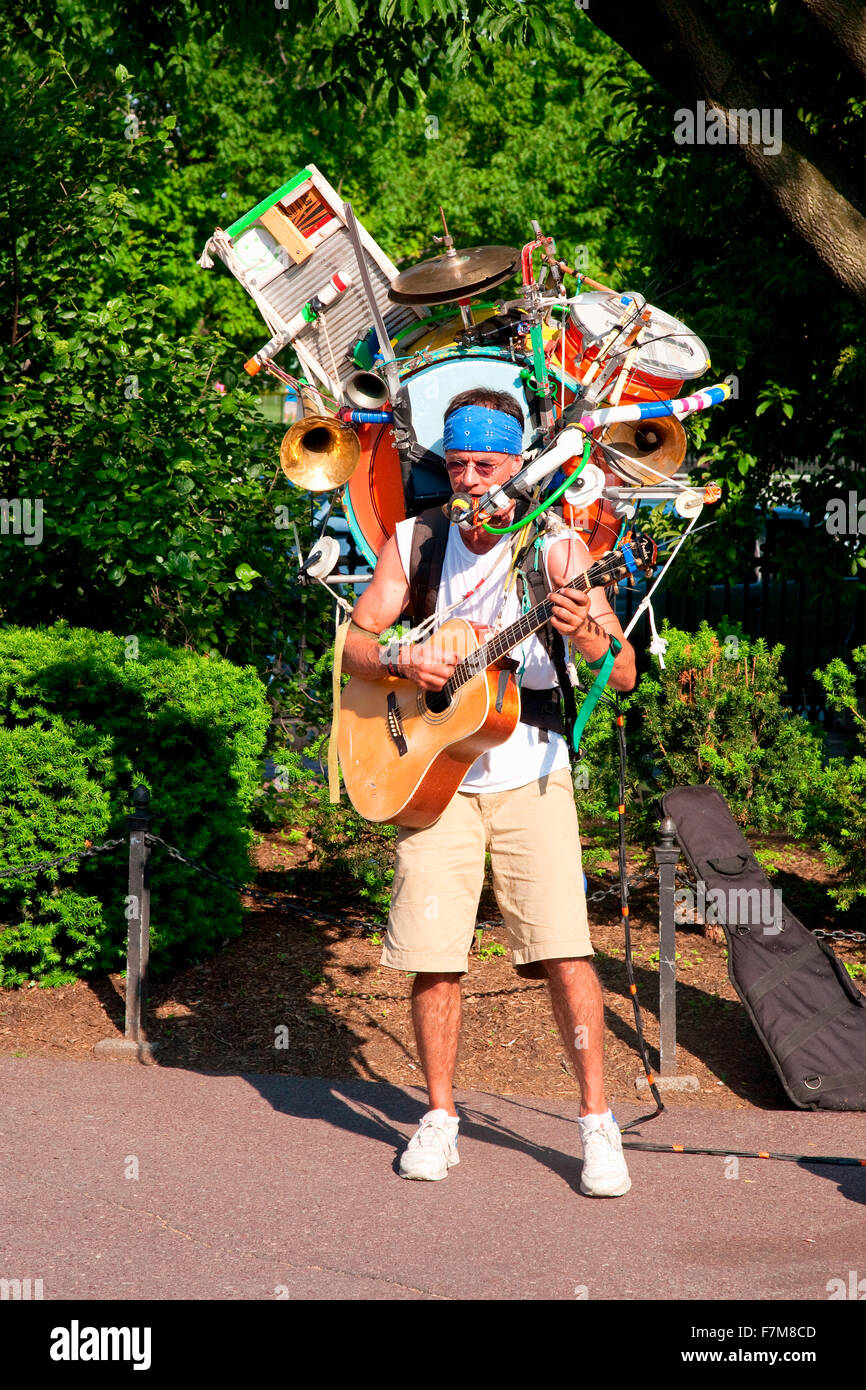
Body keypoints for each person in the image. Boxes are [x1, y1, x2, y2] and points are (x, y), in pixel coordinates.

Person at [342, 387, 637, 1197]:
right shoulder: (416, 538)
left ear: (520, 464)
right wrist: (406, 663)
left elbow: (626, 668)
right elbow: (357, 646)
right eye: (460, 462)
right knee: (434, 959)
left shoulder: (557, 548)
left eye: (490, 463)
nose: (473, 478)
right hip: (434, 782)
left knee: (565, 954)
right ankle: (438, 1118)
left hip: (531, 774)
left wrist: (580, 625)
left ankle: (596, 1126)